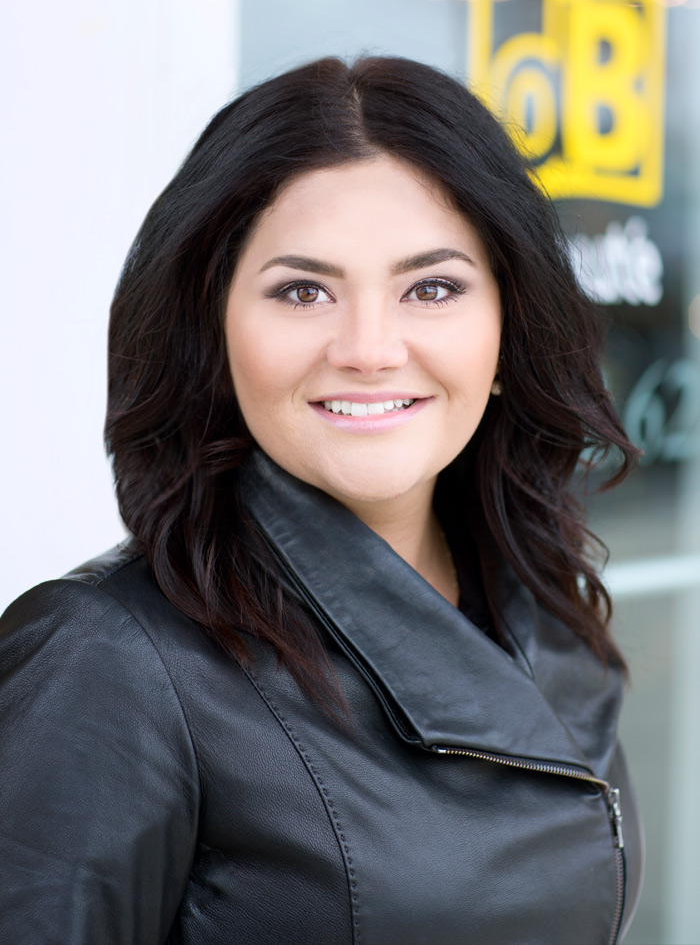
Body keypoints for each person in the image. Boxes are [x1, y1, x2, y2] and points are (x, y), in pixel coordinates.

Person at [0, 55, 643, 945]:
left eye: (432, 287)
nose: (370, 349)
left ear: (510, 325)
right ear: (211, 329)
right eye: (303, 291)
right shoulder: (108, 660)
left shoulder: (539, 609)